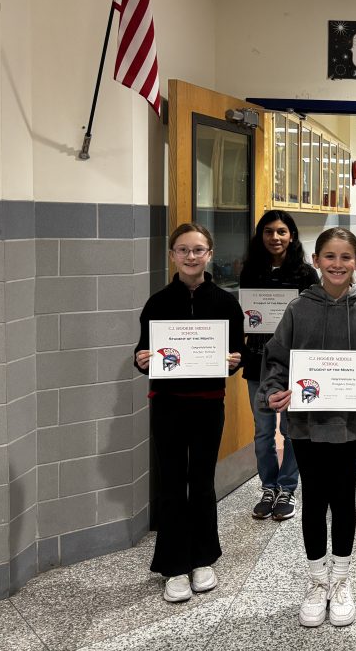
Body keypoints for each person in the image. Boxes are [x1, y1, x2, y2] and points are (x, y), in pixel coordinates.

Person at [257, 227, 356, 628]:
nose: (338, 264)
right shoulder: (297, 309)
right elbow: (275, 361)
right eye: (330, 257)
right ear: (316, 261)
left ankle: (341, 580)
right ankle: (315, 581)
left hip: (351, 424)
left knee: (343, 497)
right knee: (313, 499)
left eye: (346, 257)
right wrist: (275, 390)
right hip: (305, 425)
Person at [133, 223, 247, 604]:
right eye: (183, 250)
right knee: (170, 483)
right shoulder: (158, 302)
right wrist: (141, 358)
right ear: (173, 256)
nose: (191, 256)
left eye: (198, 249)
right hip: (167, 403)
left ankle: (202, 558)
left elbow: (234, 354)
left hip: (207, 404)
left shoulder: (226, 303)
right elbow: (143, 351)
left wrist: (234, 360)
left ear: (209, 254)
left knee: (200, 481)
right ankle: (173, 565)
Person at [239, 210, 318, 522]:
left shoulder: (306, 275)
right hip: (258, 360)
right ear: (261, 236)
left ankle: (287, 487)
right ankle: (268, 486)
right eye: (269, 231)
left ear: (292, 236)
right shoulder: (250, 271)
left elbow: (310, 320)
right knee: (263, 431)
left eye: (281, 231)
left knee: (291, 429)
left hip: (291, 364)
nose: (275, 237)